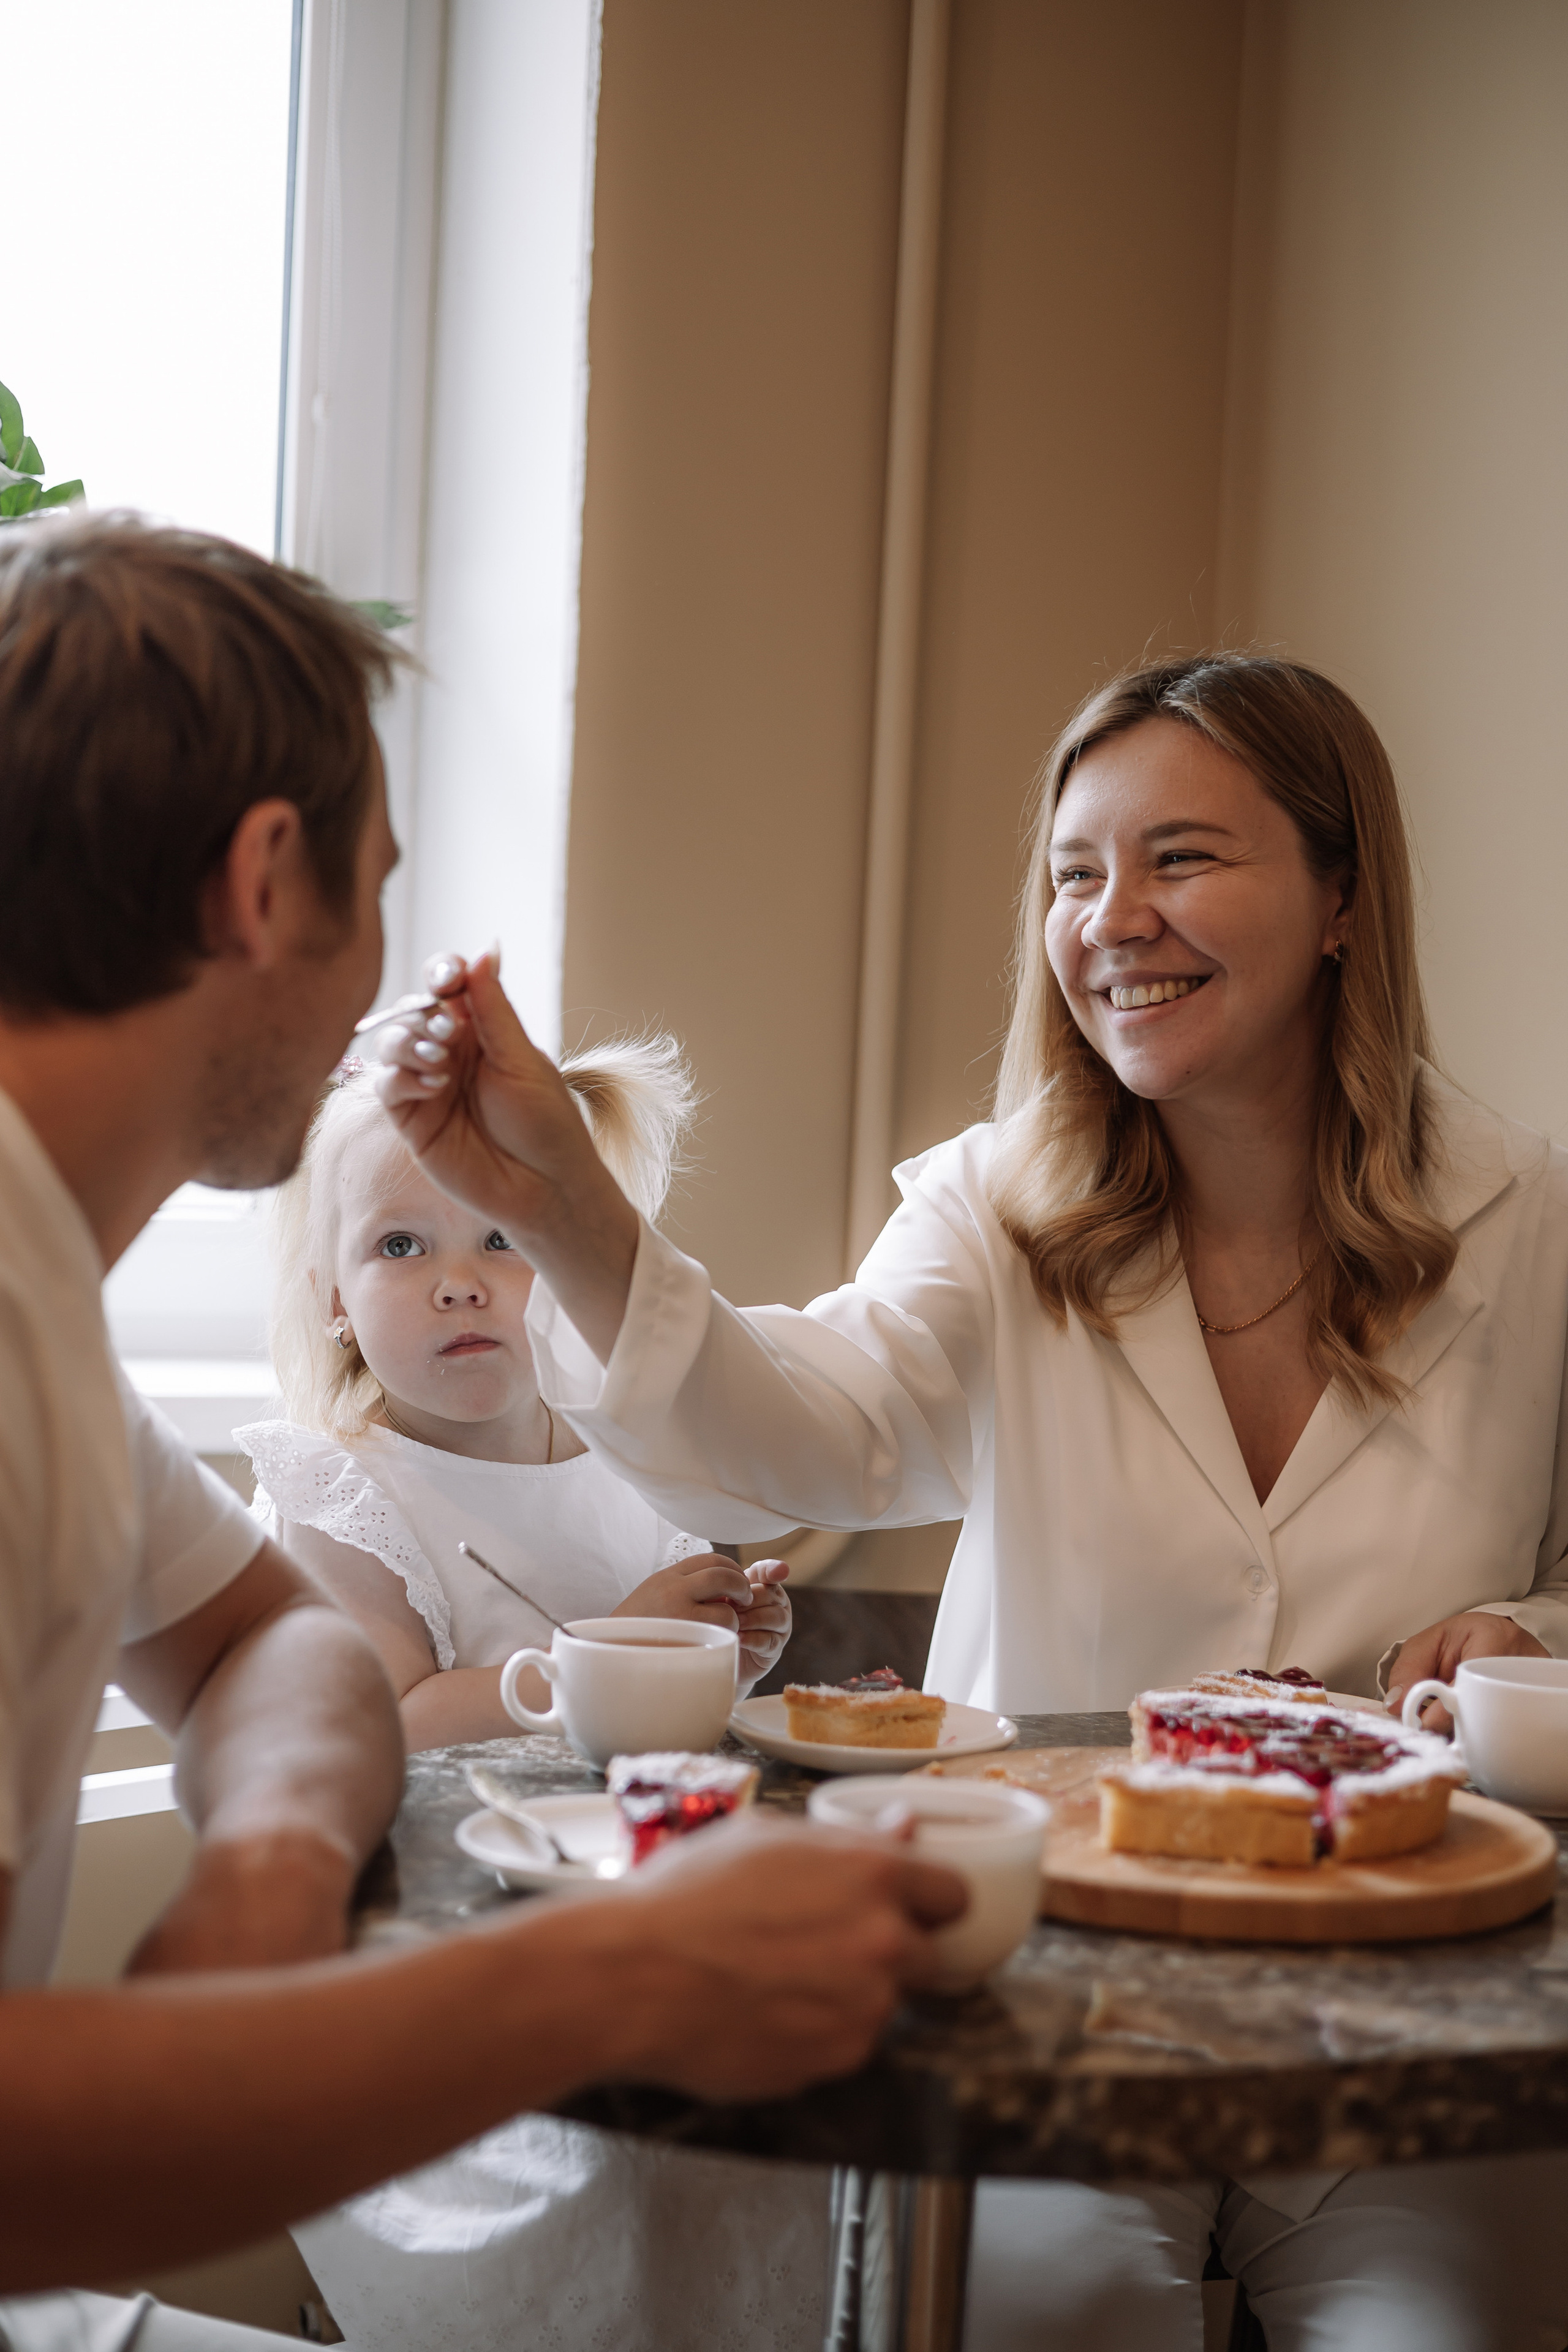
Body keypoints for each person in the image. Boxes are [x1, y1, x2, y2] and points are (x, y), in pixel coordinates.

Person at [368, 653, 1568, 2350]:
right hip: (1049, 2001)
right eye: (1076, 874)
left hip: (1407, 2020)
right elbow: (784, 1435)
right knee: (1043, 2318)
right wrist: (566, 1206)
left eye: (1182, 858)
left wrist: (1530, 1633)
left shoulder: (1531, 1219)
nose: (1114, 919)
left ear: (1344, 898)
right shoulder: (997, 1210)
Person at [0, 515, 964, 2352]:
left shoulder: (40, 1314)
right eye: (374, 891)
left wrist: (270, 1861)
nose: (373, 980)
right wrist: (602, 1979)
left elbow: (264, 1639)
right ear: (262, 880)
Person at [239, 1058, 824, 2350]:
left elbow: (649, 1717)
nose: (458, 1278)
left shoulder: (630, 1467)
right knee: (621, 2180)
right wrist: (595, 1657)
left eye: (500, 1239)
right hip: (443, 1955)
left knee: (791, 2122)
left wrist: (724, 1646)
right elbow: (381, 1717)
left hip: (637, 1914)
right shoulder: (341, 1488)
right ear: (335, 1300)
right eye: (401, 1244)